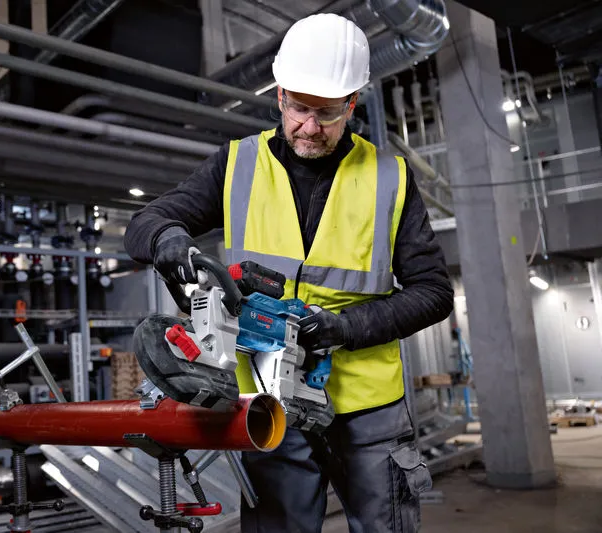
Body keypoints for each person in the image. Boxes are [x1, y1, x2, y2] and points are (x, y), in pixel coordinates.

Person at [123, 12, 454, 533]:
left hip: (367, 410)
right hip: (269, 403)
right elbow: (147, 222)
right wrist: (173, 245)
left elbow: (434, 292)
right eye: (299, 108)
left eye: (326, 114)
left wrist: (342, 329)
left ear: (352, 104)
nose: (308, 127)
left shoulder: (390, 178)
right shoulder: (236, 165)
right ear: (279, 95)